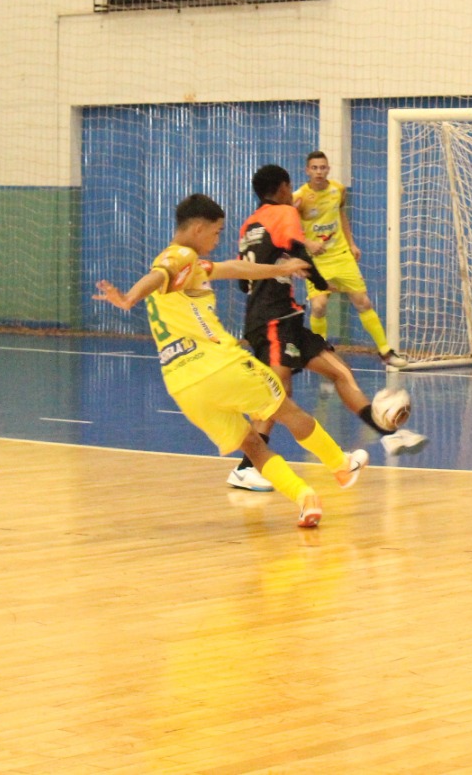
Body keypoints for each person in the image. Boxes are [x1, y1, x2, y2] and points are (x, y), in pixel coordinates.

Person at [93, 193, 368, 529]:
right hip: (219, 363)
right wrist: (129, 298)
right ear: (197, 228)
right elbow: (159, 275)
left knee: (252, 444)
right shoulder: (179, 256)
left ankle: (305, 498)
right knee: (287, 411)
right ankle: (341, 466)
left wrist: (278, 268)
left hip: (182, 384)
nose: (218, 238)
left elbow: (233, 267)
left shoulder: (192, 266)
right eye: (217, 231)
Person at [226, 165, 427, 492]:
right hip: (273, 320)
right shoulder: (284, 211)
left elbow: (243, 283)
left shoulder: (249, 225)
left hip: (281, 317)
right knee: (277, 395)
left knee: (340, 372)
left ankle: (391, 436)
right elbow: (300, 249)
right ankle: (247, 468)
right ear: (283, 188)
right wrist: (321, 283)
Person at [294, 150, 406, 368]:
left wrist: (351, 243)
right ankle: (322, 352)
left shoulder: (338, 190)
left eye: (322, 167)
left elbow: (341, 215)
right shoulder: (298, 198)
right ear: (307, 170)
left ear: (328, 169)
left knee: (363, 302)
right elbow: (290, 227)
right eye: (314, 168)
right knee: (318, 306)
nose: (319, 171)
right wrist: (307, 244)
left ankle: (385, 352)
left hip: (341, 256)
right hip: (317, 261)